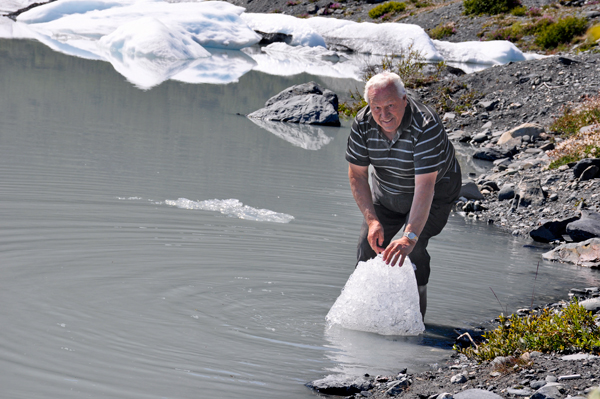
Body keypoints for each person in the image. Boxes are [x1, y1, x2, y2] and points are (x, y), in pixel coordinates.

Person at [345, 71, 462, 319]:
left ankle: (416, 320)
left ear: (404, 99)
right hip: (388, 189)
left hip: (435, 190)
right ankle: (366, 317)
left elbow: (425, 187)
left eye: (390, 106)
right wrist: (372, 221)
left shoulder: (425, 125)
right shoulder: (363, 123)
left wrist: (408, 237)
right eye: (376, 107)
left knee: (412, 250)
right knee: (368, 244)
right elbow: (357, 174)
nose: (383, 115)